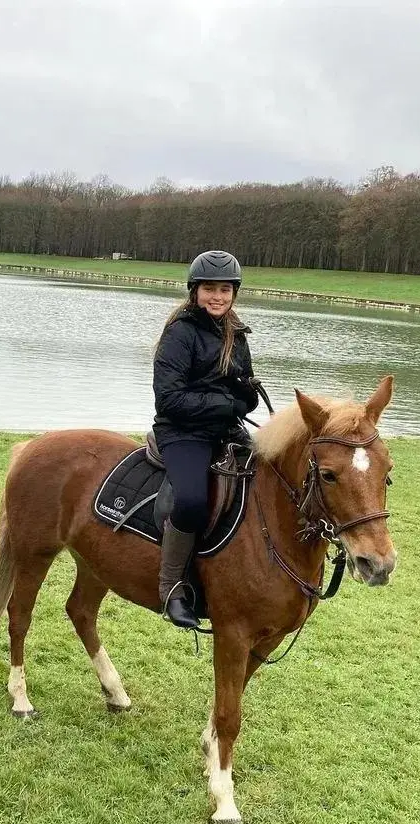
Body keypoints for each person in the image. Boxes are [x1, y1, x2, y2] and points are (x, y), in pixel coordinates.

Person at [152, 249, 258, 629]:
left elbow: (243, 392)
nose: (218, 296)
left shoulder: (236, 332)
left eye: (225, 289)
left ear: (234, 292)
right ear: (194, 291)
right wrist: (225, 402)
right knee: (193, 500)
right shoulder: (180, 332)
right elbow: (169, 398)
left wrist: (245, 393)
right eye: (210, 289)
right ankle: (172, 588)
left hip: (225, 431)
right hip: (181, 432)